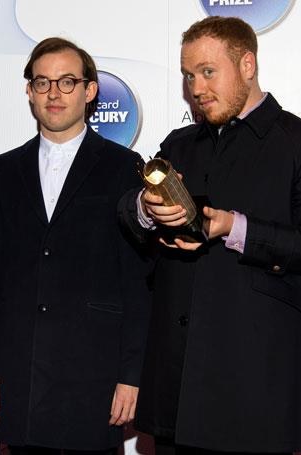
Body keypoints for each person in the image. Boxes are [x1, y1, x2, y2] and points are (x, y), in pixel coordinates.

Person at [118, 16, 301, 454]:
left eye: (207, 72)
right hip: (177, 390)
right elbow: (127, 217)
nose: (196, 88)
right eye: (188, 75)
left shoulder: (295, 142)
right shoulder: (179, 144)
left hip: (253, 391)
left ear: (247, 65)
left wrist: (235, 229)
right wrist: (146, 209)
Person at [0, 37, 151, 454]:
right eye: (43, 82)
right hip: (20, 375)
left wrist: (132, 374)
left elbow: (138, 281)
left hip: (95, 378)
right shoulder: (3, 170)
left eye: (67, 82)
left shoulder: (125, 167)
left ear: (89, 91)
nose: (54, 93)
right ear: (29, 91)